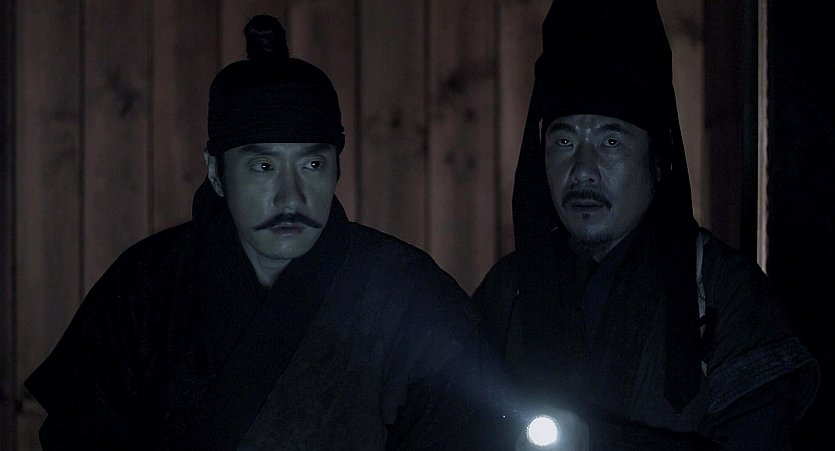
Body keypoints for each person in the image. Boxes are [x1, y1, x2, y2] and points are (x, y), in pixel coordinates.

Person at [25, 15, 485, 450]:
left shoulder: (406, 292)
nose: (291, 196)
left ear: (337, 168)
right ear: (217, 172)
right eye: (264, 166)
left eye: (312, 164)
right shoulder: (145, 288)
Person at [471, 0, 819, 449]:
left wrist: (598, 441)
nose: (582, 171)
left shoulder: (723, 292)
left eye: (611, 141)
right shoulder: (508, 291)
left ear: (657, 160)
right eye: (564, 140)